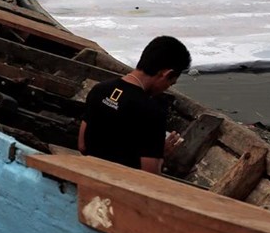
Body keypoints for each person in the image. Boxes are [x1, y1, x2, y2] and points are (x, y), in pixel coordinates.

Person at [78, 36, 191, 175]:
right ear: (166, 73)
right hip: (121, 186)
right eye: (170, 83)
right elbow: (149, 177)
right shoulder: (152, 111)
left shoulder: (99, 89)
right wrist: (161, 154)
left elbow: (82, 146)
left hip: (88, 173)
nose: (166, 88)